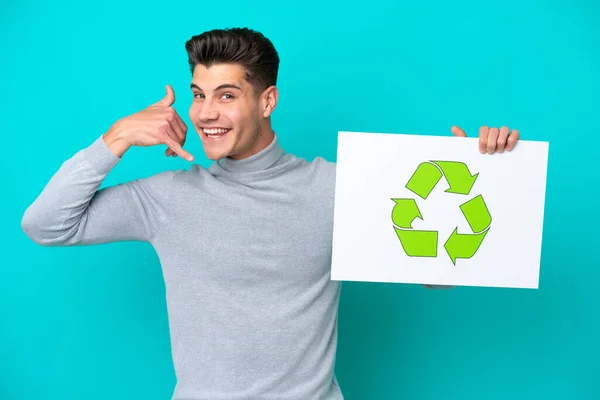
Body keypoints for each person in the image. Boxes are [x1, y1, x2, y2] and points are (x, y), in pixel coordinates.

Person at [21, 27, 521, 400]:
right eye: (198, 95)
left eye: (227, 95)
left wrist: (480, 174)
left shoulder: (337, 187)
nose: (205, 113)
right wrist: (117, 139)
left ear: (268, 101)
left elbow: (436, 278)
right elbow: (44, 225)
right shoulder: (167, 198)